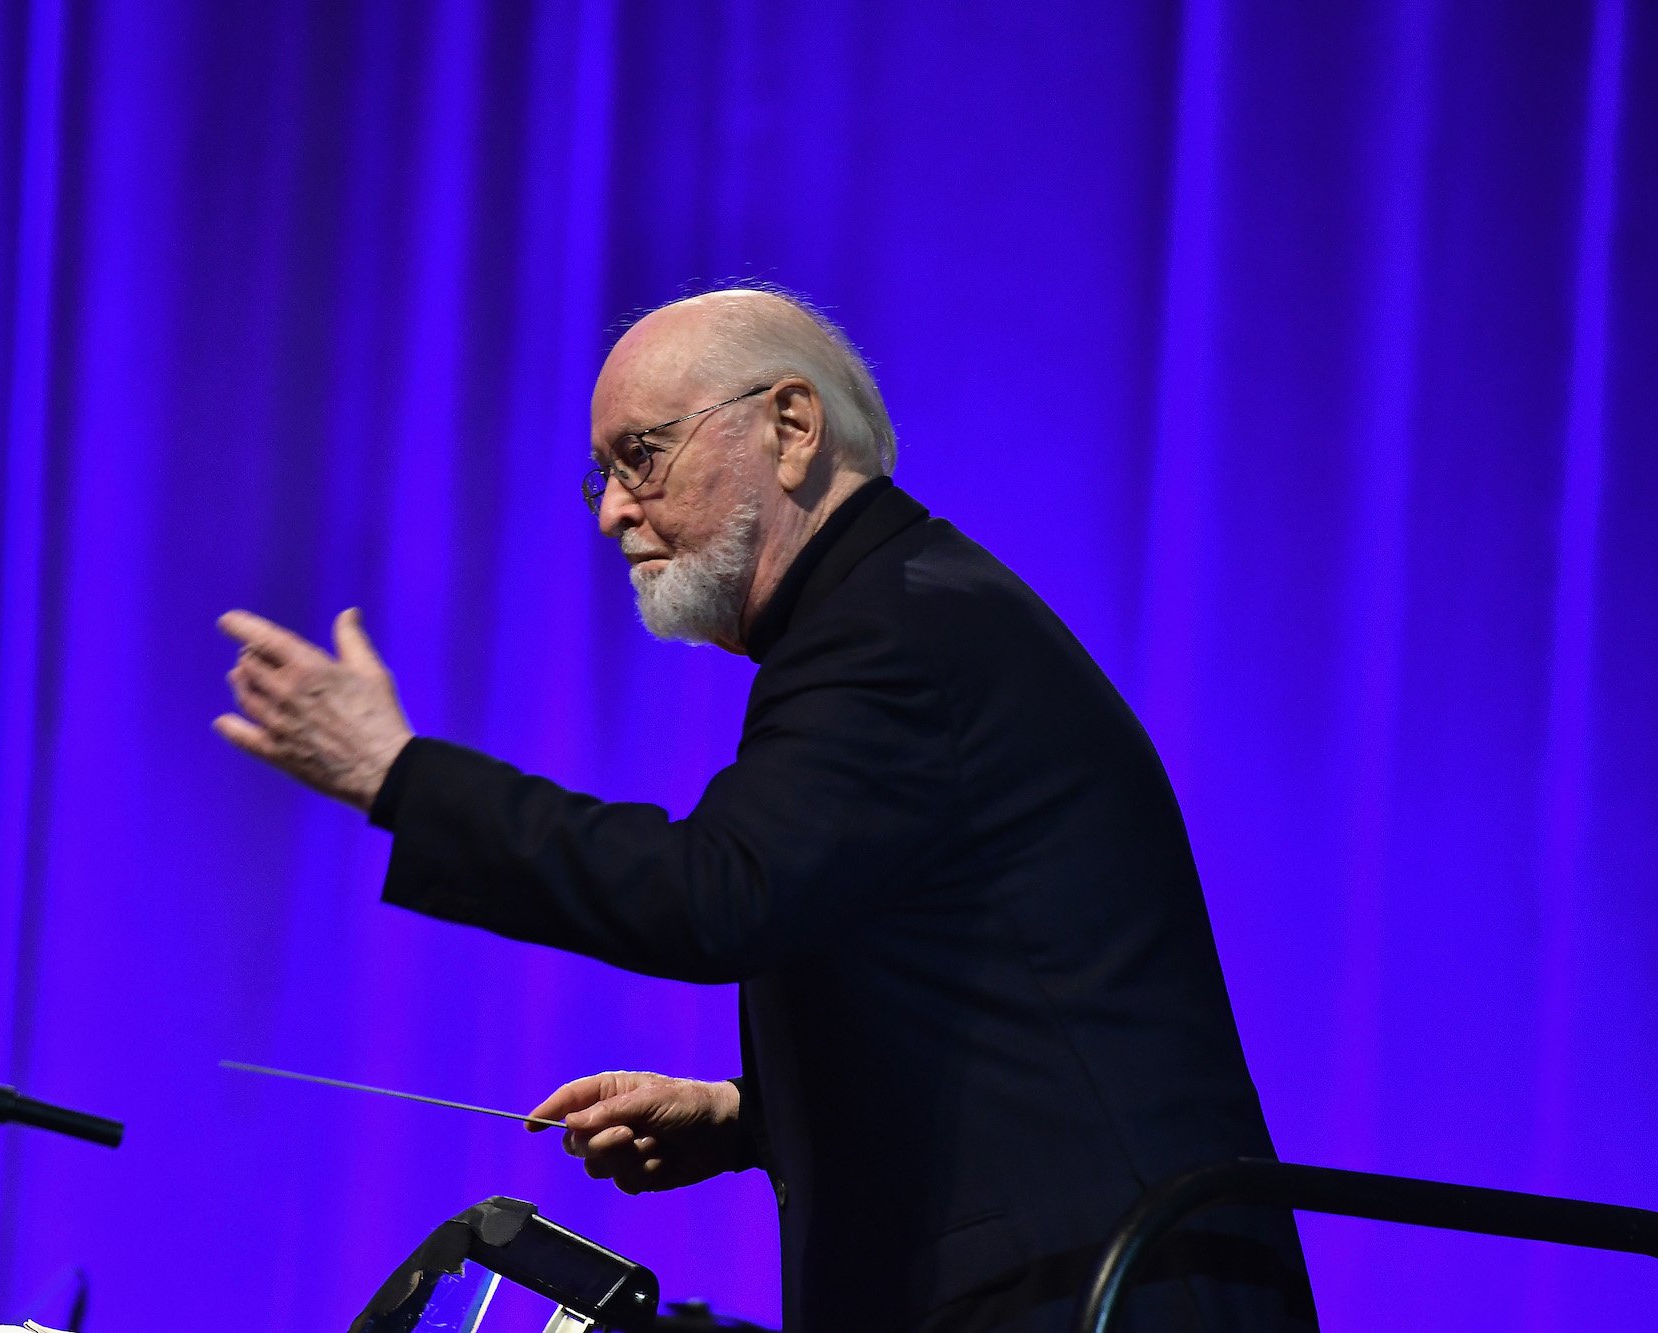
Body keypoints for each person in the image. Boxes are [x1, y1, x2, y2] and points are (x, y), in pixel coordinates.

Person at [215, 289, 1317, 1331]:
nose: (610, 512)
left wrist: (399, 776)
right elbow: (982, 998)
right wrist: (747, 1115)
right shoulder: (896, 613)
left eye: (638, 455)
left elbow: (717, 893)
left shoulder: (895, 633)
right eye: (596, 474)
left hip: (1091, 1292)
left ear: (791, 426)